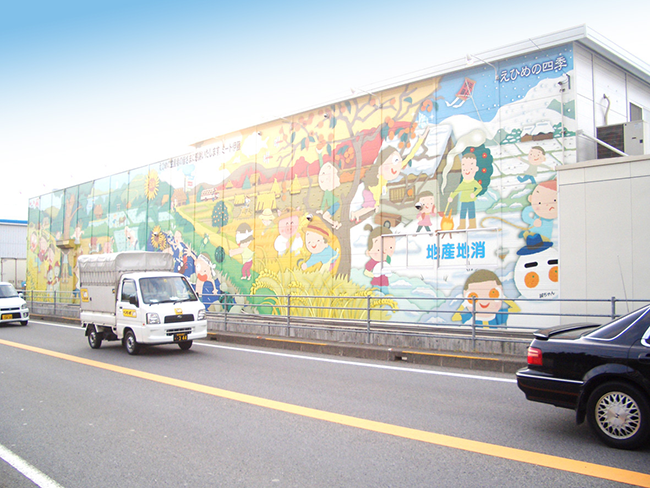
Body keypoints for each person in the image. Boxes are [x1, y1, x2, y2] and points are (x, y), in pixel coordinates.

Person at [452, 269, 520, 327]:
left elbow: (516, 309)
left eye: (493, 293)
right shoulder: (471, 317)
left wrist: (502, 297)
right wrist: (464, 304)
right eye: (473, 296)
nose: (484, 301)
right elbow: (454, 318)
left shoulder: (497, 315)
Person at [363, 224, 396, 294]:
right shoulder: (372, 262)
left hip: (384, 283)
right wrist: (374, 275)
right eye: (378, 250)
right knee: (376, 294)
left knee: (386, 294)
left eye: (390, 248)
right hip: (376, 283)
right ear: (368, 252)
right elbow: (366, 272)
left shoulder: (386, 260)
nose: (384, 251)